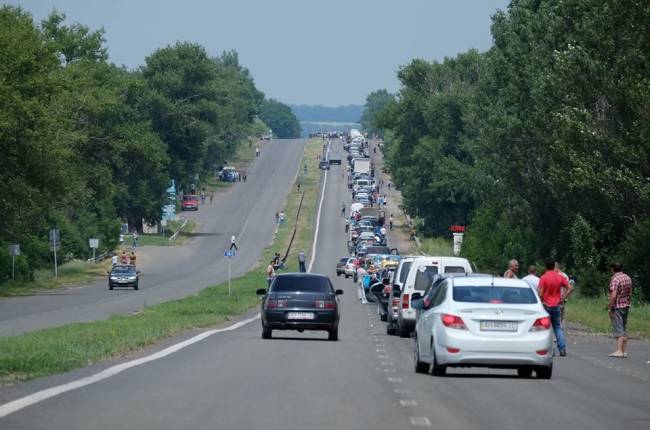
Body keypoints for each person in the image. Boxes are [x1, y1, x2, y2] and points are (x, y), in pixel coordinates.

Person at [538, 259, 573, 356]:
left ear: (545, 267)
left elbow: (540, 293)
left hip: (545, 305)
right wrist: (562, 298)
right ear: (554, 266)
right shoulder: (559, 277)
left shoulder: (543, 277)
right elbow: (570, 288)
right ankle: (562, 349)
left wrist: (540, 301)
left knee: (547, 328)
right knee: (558, 327)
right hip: (556, 305)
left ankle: (550, 349)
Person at [608, 262, 633, 358]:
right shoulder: (627, 277)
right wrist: (628, 302)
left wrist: (610, 307)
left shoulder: (615, 279)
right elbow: (630, 292)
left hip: (618, 305)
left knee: (618, 328)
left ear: (613, 269)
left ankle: (619, 351)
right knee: (624, 327)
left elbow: (613, 295)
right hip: (626, 304)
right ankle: (624, 351)